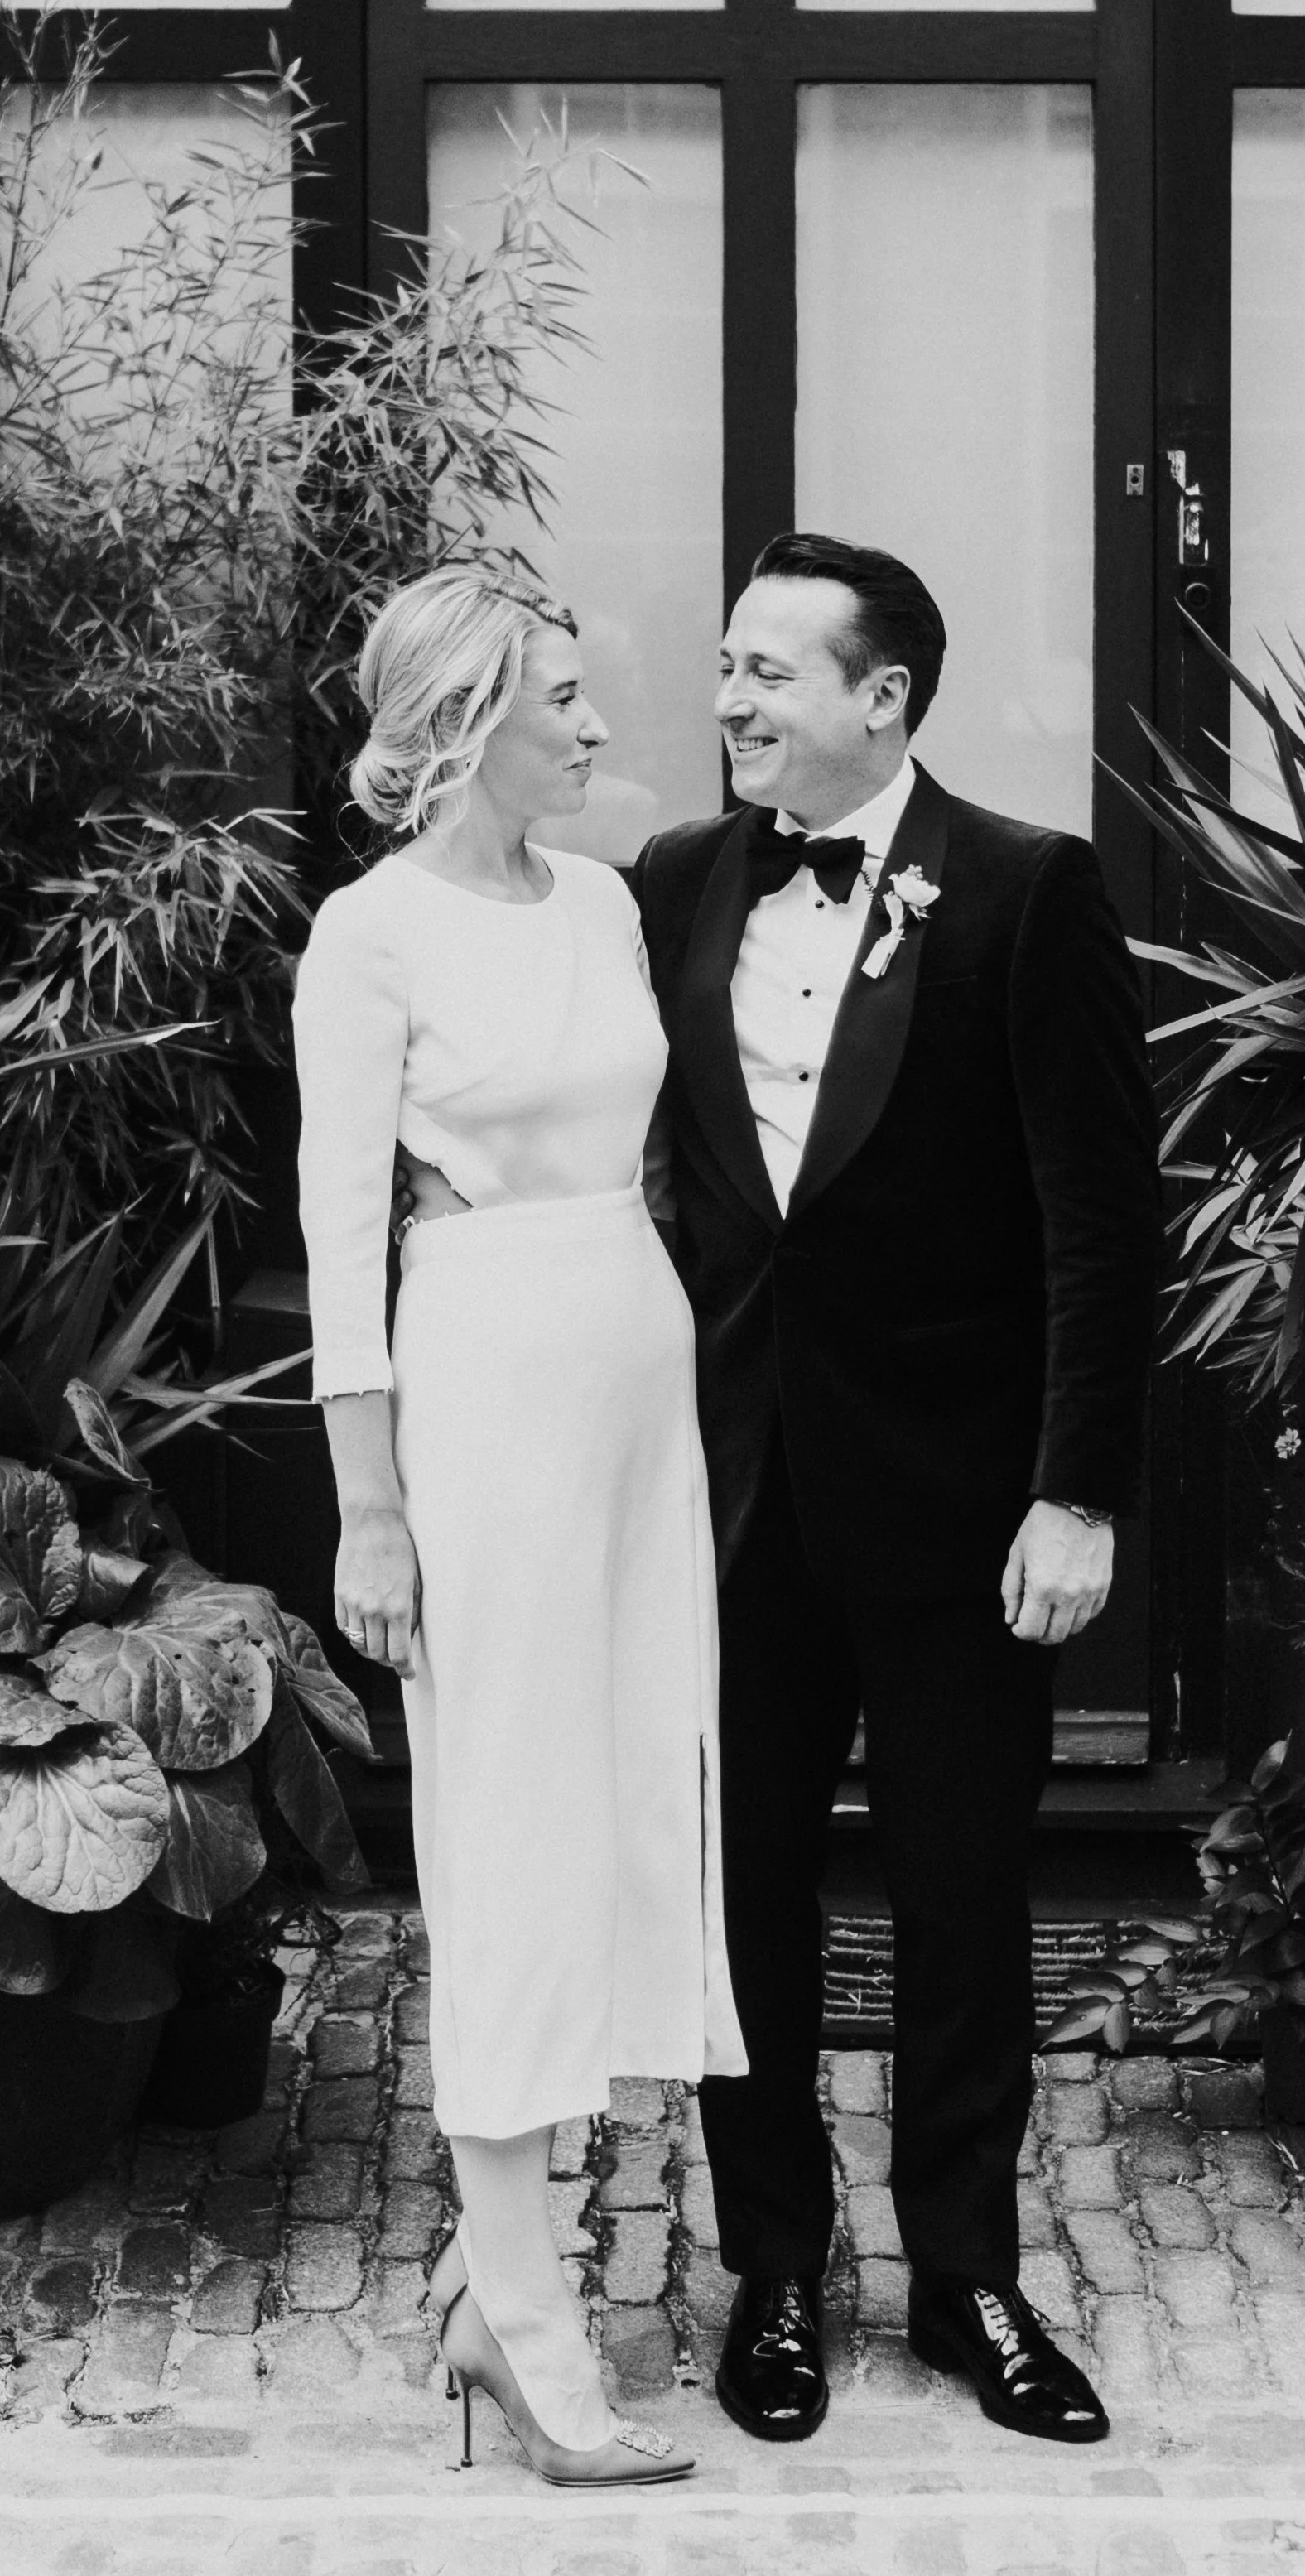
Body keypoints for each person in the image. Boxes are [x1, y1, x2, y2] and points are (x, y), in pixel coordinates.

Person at [630, 532, 1163, 2448]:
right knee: (746, 1904)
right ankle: (771, 2271)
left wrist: (1074, 1491)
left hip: (960, 1514)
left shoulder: (1026, 894)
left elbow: (1102, 1224)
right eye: (723, 668)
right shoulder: (675, 886)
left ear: (884, 697)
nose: (729, 702)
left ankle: (963, 2280)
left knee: (958, 1902)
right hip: (726, 1504)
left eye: (770, 672)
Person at [291, 562, 745, 2489]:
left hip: (639, 1394)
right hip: (476, 1395)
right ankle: (526, 2313)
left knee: (631, 1814)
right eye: (562, 697)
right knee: (505, 1830)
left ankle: (511, 2290)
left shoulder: (607, 904)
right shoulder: (365, 939)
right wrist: (369, 1507)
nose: (596, 726)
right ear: (468, 717)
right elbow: (334, 1243)